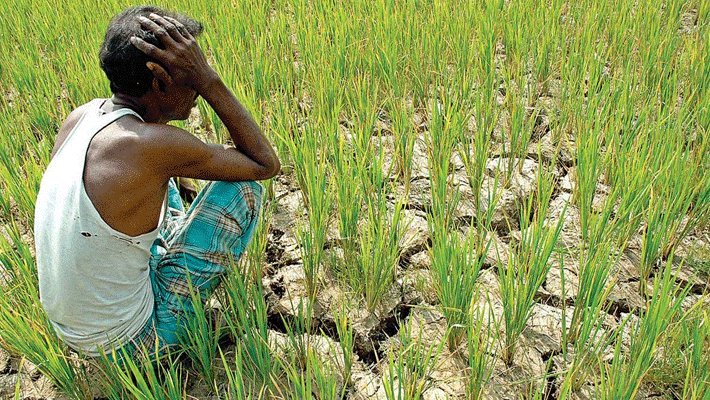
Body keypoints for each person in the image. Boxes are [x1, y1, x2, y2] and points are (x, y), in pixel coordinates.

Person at [34, 5, 280, 360]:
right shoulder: (151, 146)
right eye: (190, 74)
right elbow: (263, 163)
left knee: (169, 191)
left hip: (74, 331)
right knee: (242, 189)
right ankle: (170, 332)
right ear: (160, 81)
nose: (195, 87)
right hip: (130, 344)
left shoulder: (82, 117)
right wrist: (209, 80)